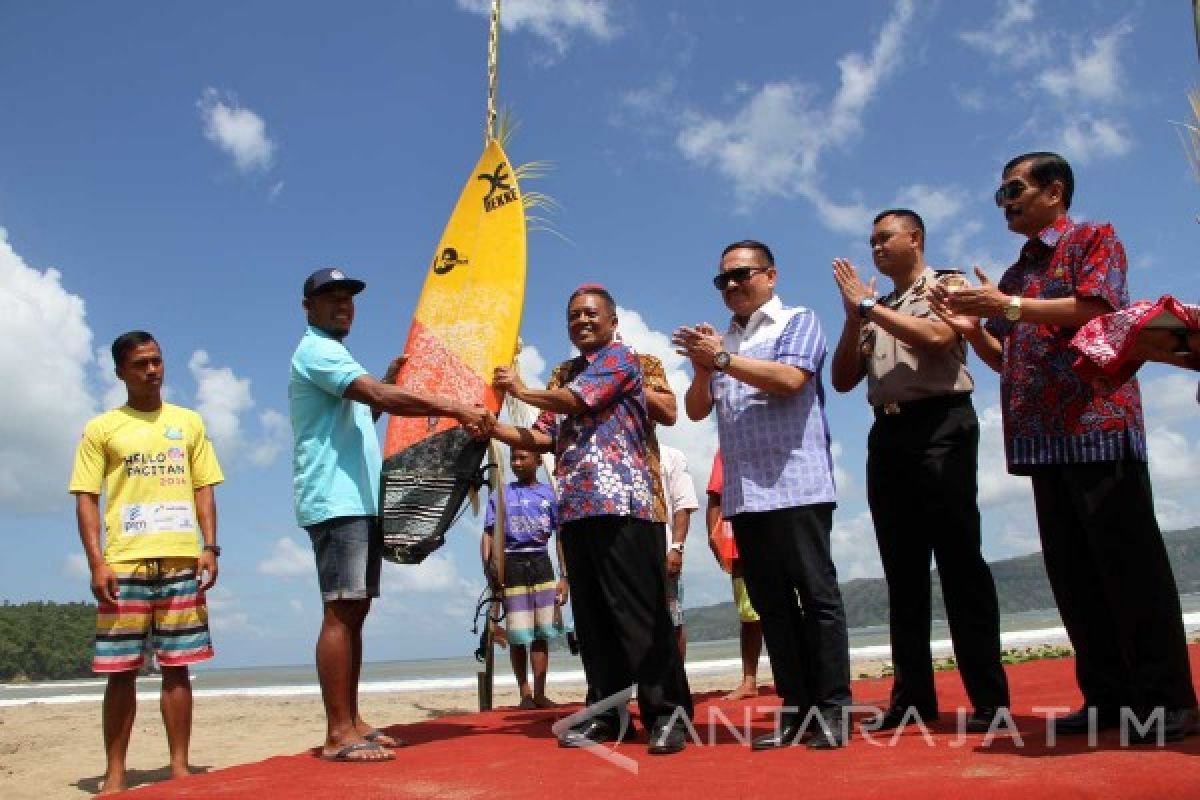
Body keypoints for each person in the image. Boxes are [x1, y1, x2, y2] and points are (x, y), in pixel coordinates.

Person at [930, 152, 1199, 743]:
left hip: (1098, 429)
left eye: (1014, 190)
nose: (1006, 202)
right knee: (1074, 577)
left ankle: (1167, 701)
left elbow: (1097, 311)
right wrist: (970, 324)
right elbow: (1005, 359)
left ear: (1054, 191)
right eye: (1002, 194)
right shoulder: (1013, 274)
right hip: (1043, 443)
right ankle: (1107, 698)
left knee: (1132, 570)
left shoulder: (1094, 239)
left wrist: (1006, 308)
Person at [289, 267, 495, 763]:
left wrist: (382, 383)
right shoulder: (316, 350)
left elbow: (366, 412)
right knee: (340, 611)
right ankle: (338, 732)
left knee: (355, 612)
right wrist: (454, 407)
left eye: (348, 298)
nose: (343, 305)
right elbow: (379, 400)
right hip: (335, 501)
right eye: (330, 298)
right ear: (308, 308)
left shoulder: (338, 355)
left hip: (358, 500)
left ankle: (353, 720)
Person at [487, 284, 693, 755]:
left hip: (627, 504)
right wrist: (489, 425)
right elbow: (540, 437)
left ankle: (667, 715)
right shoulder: (563, 372)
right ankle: (606, 715)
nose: (581, 320)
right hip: (576, 509)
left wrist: (521, 388)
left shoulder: (624, 360)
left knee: (640, 615)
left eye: (590, 313)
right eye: (574, 315)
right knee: (595, 623)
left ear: (611, 320)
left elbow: (579, 400)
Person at [829, 209, 1010, 733]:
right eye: (871, 240)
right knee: (902, 572)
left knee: (959, 563)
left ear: (917, 238)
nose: (876, 247)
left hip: (941, 425)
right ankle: (912, 699)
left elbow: (936, 339)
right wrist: (853, 316)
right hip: (887, 433)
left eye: (885, 237)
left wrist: (867, 306)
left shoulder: (946, 284)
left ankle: (988, 701)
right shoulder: (875, 307)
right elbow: (843, 380)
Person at [674, 240, 852, 750]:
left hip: (797, 484)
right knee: (772, 606)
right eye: (723, 279)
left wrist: (723, 358)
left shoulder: (797, 320)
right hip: (746, 493)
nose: (732, 285)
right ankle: (797, 710)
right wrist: (706, 368)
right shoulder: (722, 339)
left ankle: (834, 709)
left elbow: (792, 380)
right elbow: (694, 410)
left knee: (817, 597)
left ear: (770, 276)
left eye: (742, 274)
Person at [69, 331, 224, 794]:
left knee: (179, 667)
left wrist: (210, 547)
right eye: (140, 364)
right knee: (121, 672)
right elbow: (86, 498)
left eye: (157, 361)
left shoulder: (189, 422)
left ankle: (179, 766)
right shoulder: (102, 428)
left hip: (180, 560)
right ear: (120, 371)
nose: (152, 370)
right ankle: (115, 772)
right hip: (125, 565)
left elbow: (204, 487)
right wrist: (97, 563)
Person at [479, 447, 568, 709]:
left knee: (542, 632)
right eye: (513, 458)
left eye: (522, 457)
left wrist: (564, 576)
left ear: (538, 460)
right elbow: (488, 534)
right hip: (512, 564)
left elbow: (561, 537)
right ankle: (525, 693)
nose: (517, 463)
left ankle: (540, 692)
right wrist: (490, 569)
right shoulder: (502, 494)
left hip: (541, 563)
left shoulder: (549, 494)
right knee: (518, 634)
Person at [706, 450, 763, 701]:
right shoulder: (727, 447)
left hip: (780, 530)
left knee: (792, 609)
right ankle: (749, 679)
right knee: (748, 614)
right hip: (740, 540)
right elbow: (715, 496)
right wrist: (713, 537)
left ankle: (801, 673)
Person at [658, 443, 699, 659]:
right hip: (630, 554)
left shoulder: (672, 455)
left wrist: (677, 548)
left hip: (664, 549)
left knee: (673, 620)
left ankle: (677, 681)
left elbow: (683, 505)